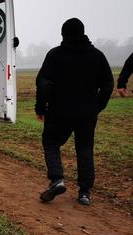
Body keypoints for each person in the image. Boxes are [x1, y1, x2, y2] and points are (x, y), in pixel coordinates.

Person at [36, 18, 113, 205]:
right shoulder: (97, 56)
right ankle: (85, 192)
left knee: (51, 142)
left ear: (63, 34)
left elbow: (43, 84)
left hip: (59, 112)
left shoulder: (55, 55)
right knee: (85, 148)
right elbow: (108, 85)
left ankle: (57, 179)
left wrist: (41, 107)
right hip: (87, 113)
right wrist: (97, 106)